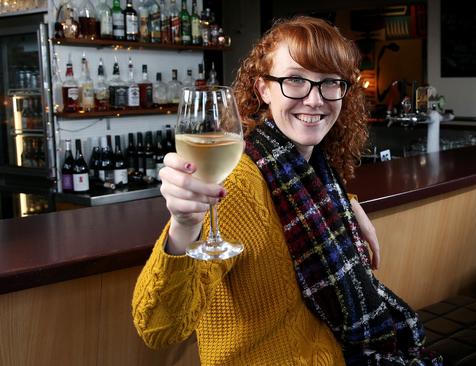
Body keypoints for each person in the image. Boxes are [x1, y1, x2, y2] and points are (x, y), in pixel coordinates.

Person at [132, 16, 442, 365]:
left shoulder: (310, 173)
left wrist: (344, 205)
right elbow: (158, 327)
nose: (314, 100)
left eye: (329, 82)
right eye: (295, 80)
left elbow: (300, 214)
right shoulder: (236, 186)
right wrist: (183, 226)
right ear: (263, 88)